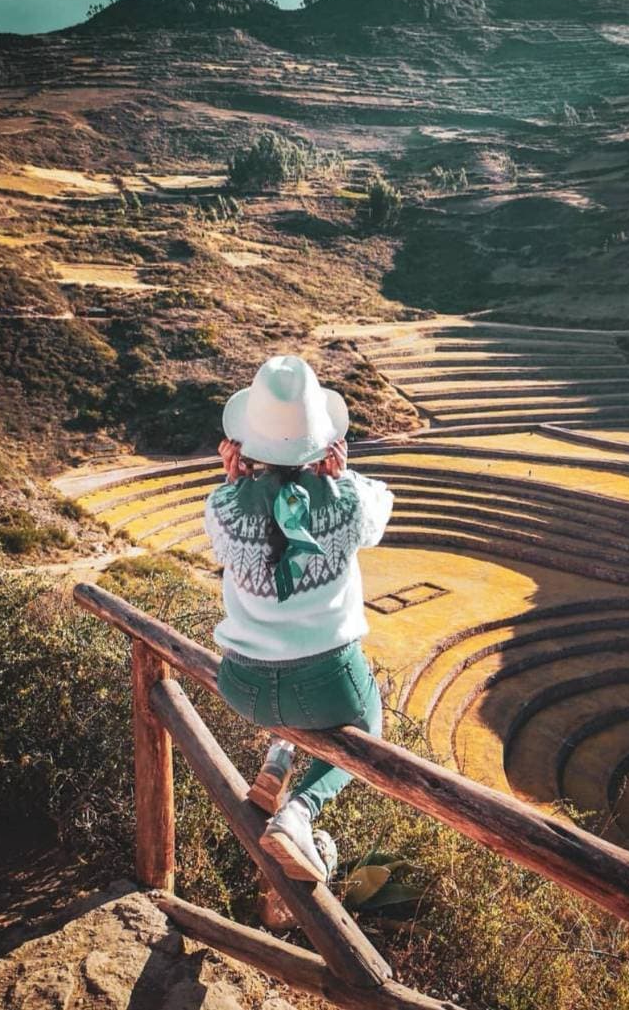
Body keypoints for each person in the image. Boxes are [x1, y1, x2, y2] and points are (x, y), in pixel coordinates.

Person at [204, 354, 393, 882]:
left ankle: (278, 757)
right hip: (326, 686)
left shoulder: (222, 505)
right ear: (323, 444)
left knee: (290, 693)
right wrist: (342, 475)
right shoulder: (350, 502)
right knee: (368, 723)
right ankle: (300, 811)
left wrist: (234, 479)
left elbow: (231, 521)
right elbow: (384, 506)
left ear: (243, 446)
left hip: (242, 686)